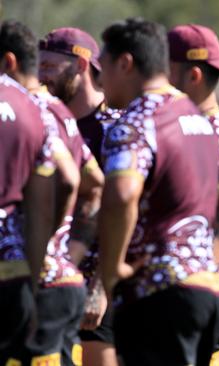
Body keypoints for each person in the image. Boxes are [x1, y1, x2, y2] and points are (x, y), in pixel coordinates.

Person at [97, 18, 219, 365]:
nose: (100, 79)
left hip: (158, 291)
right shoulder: (201, 119)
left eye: (105, 66)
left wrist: (111, 270)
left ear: (125, 63)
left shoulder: (136, 121)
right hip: (208, 288)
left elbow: (123, 193)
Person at [0, 20, 96, 366]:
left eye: (52, 67)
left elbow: (74, 181)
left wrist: (44, 254)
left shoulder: (34, 106)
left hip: (31, 277)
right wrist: (63, 254)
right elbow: (88, 182)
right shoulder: (54, 111)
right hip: (57, 278)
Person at [39, 27, 120, 366]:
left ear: (82, 66)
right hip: (50, 285)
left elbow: (123, 213)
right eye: (38, 66)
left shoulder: (115, 129)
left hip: (98, 295)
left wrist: (100, 290)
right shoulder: (46, 122)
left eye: (50, 67)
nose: (41, 77)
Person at [167, 23, 219, 359]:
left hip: (196, 284)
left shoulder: (206, 127)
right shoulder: (218, 123)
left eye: (162, 71)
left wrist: (205, 266)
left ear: (193, 76)